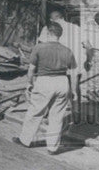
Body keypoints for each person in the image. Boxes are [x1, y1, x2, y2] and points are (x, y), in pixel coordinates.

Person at [14, 22, 76, 154]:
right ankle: (52, 148)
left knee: (35, 112)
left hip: (45, 81)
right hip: (62, 82)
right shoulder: (67, 51)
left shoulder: (39, 48)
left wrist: (29, 83)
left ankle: (25, 140)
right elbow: (73, 73)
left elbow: (31, 70)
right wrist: (73, 90)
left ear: (48, 33)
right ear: (60, 35)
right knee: (57, 116)